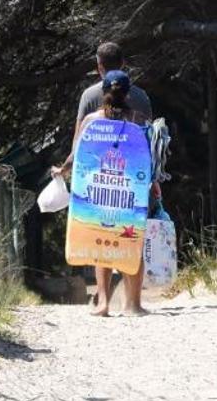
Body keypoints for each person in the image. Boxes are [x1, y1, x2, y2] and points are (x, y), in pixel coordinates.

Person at [67, 69, 160, 316]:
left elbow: (79, 155)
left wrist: (63, 171)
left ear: (103, 92)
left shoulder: (90, 121)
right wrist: (155, 183)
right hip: (130, 192)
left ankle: (104, 303)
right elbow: (147, 159)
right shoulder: (139, 121)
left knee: (103, 241)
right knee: (131, 242)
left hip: (99, 191)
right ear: (128, 94)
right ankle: (134, 304)